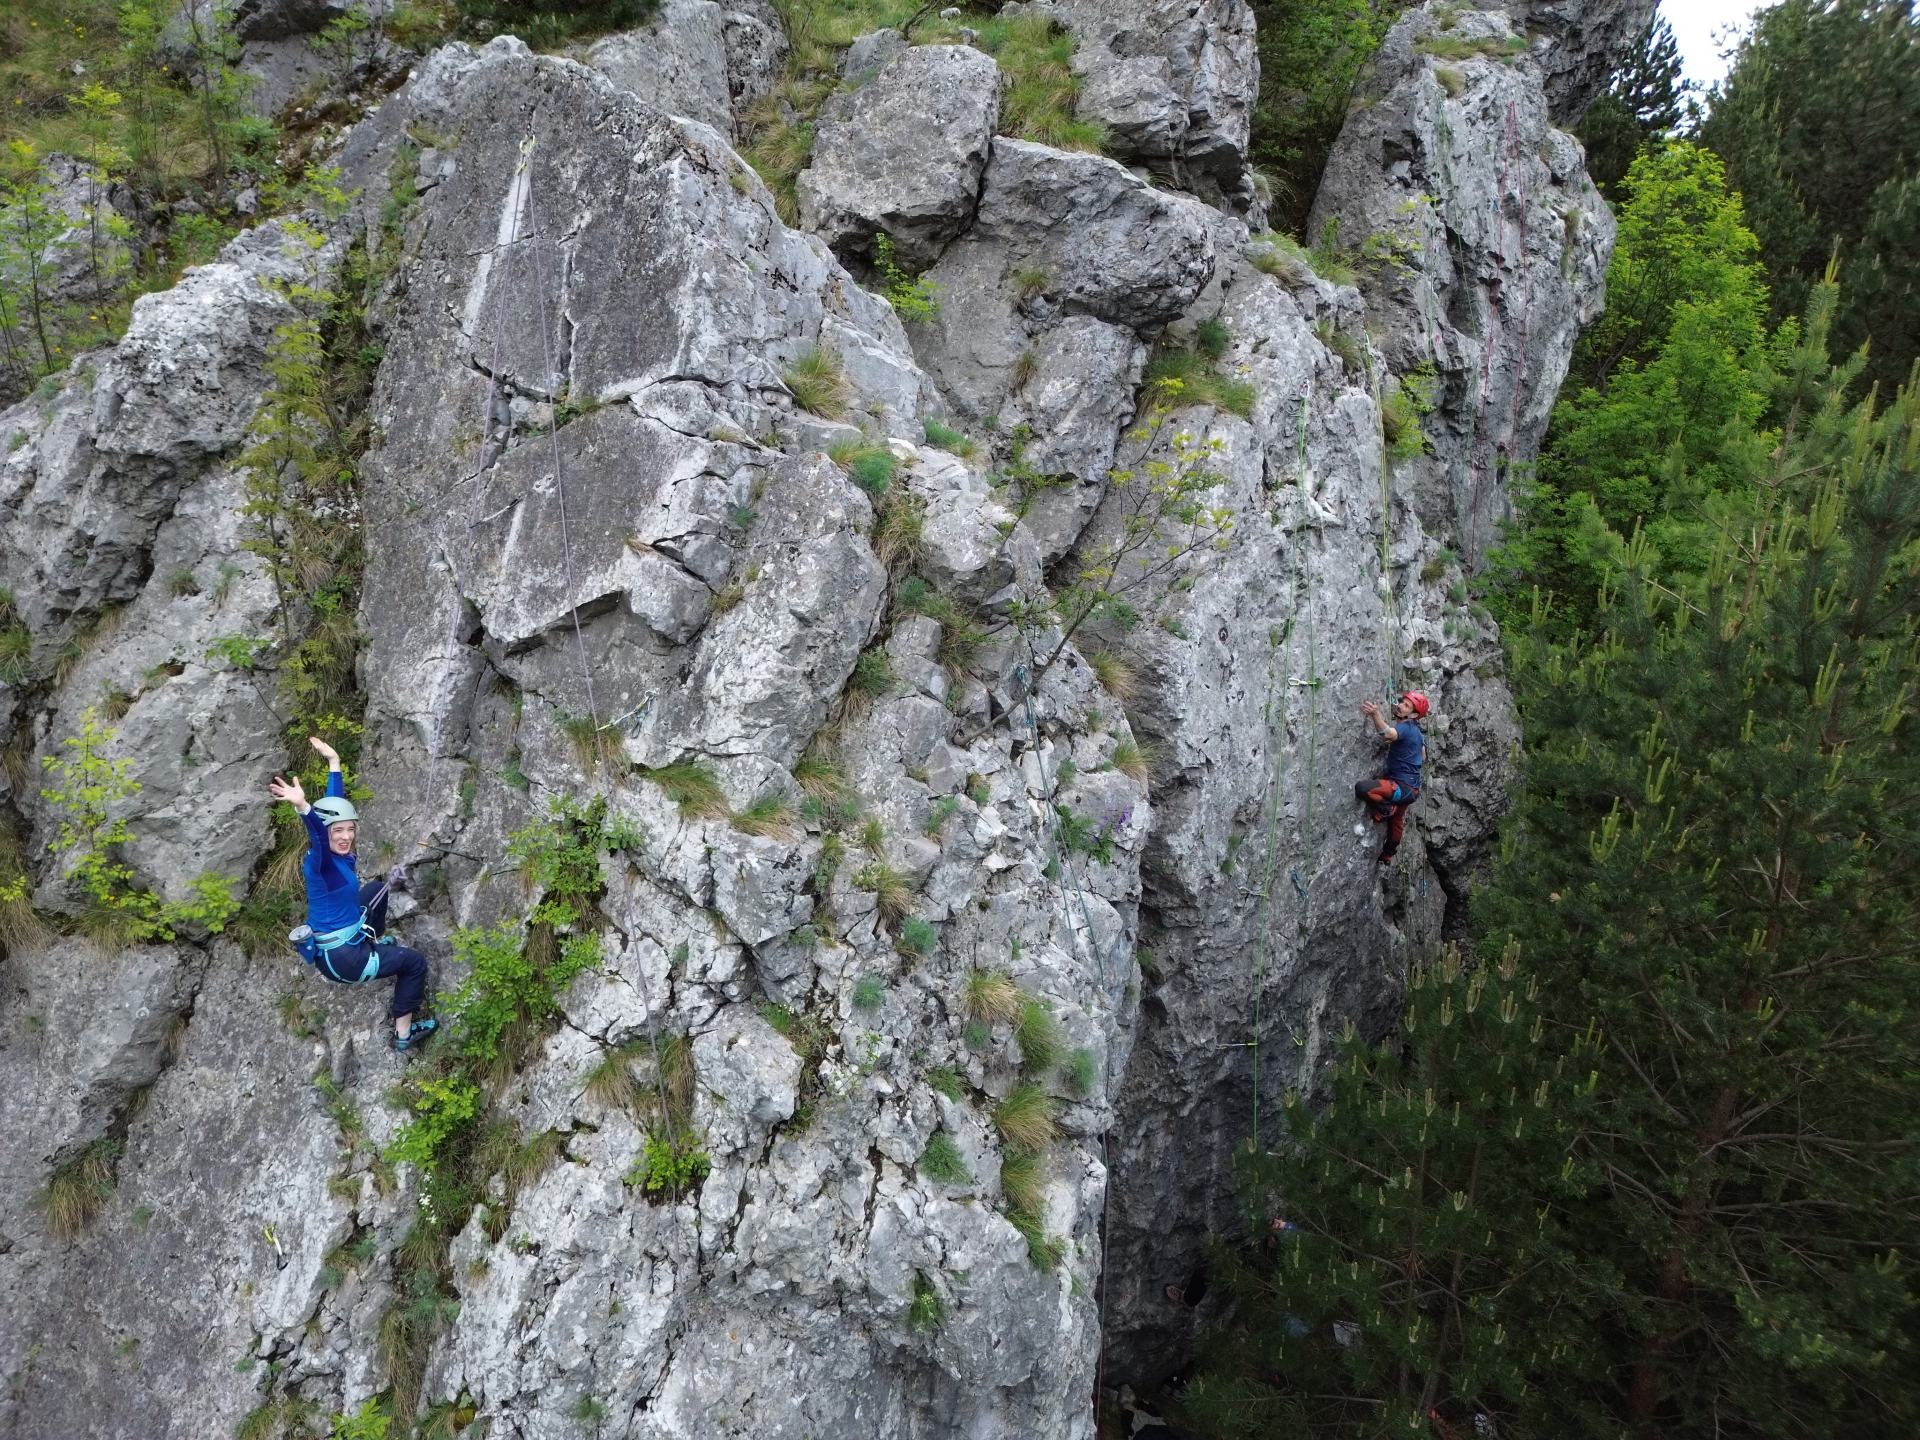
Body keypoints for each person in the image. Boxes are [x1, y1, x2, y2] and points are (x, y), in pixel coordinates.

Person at [268, 737, 436, 1051]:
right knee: (414, 963)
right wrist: (303, 807)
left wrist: (334, 763)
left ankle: (374, 941)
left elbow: (335, 808)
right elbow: (319, 833)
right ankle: (404, 1034)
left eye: (351, 829)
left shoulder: (338, 851)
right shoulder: (320, 864)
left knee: (375, 889)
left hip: (340, 944)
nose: (346, 836)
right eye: (338, 831)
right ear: (326, 833)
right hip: (344, 960)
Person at [1355, 691, 1428, 865]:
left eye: (1406, 705)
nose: (1400, 705)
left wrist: (1375, 714)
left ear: (1414, 715)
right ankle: (1388, 855)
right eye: (1402, 702)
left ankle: (1387, 808)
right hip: (1411, 790)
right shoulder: (1417, 733)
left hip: (1400, 787)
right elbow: (1423, 756)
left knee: (1363, 788)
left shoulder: (1406, 727)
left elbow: (1389, 734)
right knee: (1397, 823)